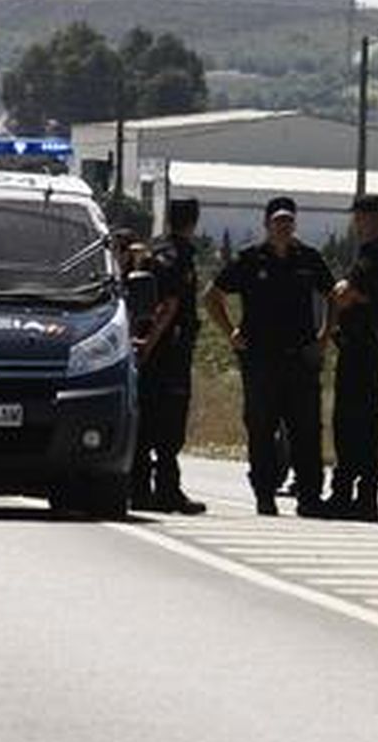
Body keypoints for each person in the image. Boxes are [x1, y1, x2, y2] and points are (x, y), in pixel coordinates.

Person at [205, 197, 336, 517]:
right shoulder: (250, 258)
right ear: (267, 225)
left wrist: (324, 336)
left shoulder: (308, 258)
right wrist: (231, 332)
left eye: (289, 222)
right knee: (262, 428)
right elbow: (212, 296)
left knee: (306, 429)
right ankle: (265, 493)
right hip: (261, 358)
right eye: (278, 222)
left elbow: (333, 295)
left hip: (300, 357)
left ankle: (309, 496)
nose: (284, 227)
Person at [325, 193, 378, 522]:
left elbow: (349, 295)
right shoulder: (368, 252)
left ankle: (359, 492)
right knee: (352, 418)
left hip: (364, 344)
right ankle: (350, 490)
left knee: (358, 419)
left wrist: (345, 292)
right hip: (357, 343)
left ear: (373, 217)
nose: (356, 222)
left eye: (360, 216)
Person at [130, 198, 208, 516]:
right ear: (193, 222)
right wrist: (151, 343)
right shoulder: (179, 256)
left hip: (148, 348)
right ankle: (166, 490)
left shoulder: (153, 251)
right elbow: (169, 305)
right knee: (170, 422)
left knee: (146, 417)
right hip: (169, 349)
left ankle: (138, 488)